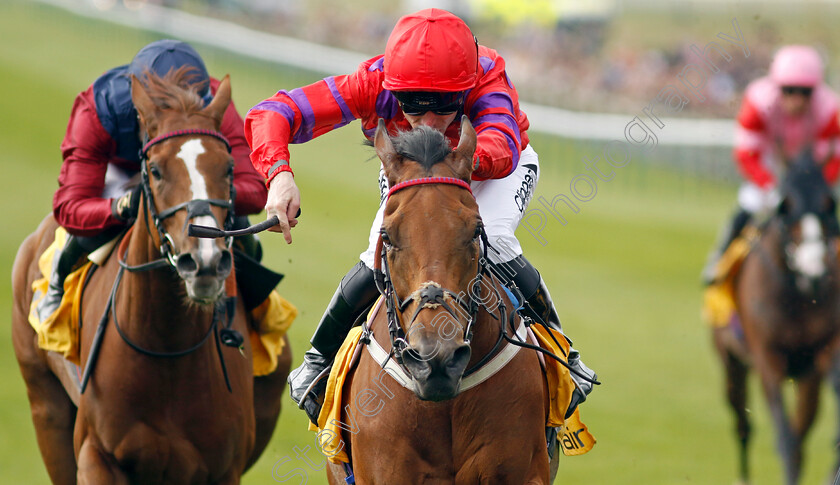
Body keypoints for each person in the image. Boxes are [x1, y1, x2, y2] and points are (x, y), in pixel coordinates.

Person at [245, 8, 597, 425]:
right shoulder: (372, 81)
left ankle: (561, 353)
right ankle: (318, 358)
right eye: (412, 105)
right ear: (394, 88)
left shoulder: (488, 74)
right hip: (412, 168)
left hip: (487, 167)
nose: (428, 121)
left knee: (496, 239)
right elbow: (273, 112)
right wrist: (279, 175)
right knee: (381, 246)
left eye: (446, 105)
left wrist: (452, 164)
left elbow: (501, 145)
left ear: (465, 88)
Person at [38, 39, 268, 321]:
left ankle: (256, 320)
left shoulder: (215, 104)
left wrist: (202, 194)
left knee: (246, 235)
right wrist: (122, 206)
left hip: (192, 174)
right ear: (139, 111)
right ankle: (57, 289)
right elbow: (70, 208)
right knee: (80, 234)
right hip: (119, 170)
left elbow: (255, 191)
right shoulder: (97, 110)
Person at [702, 45, 840, 285]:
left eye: (805, 92)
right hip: (770, 163)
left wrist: (819, 187)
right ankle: (720, 258)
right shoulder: (757, 102)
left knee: (826, 208)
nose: (797, 100)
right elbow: (746, 154)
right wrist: (770, 186)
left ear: (815, 91)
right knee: (751, 202)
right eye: (789, 90)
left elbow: (835, 157)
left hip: (809, 167)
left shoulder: (830, 108)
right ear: (777, 87)